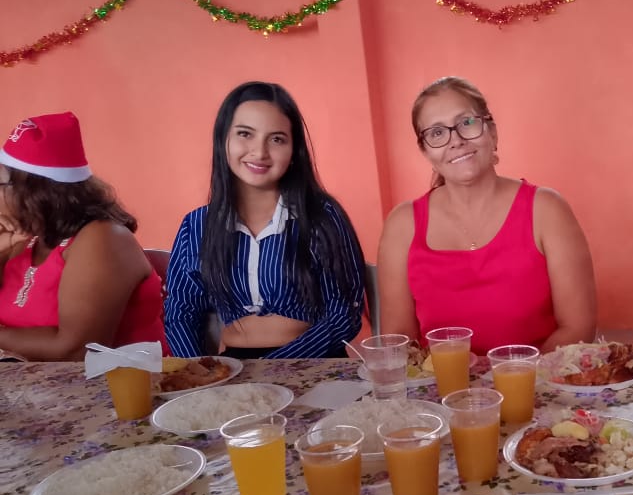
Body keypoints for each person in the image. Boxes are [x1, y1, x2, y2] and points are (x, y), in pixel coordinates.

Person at [376, 76, 596, 356]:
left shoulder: (547, 209)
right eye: (437, 133)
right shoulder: (402, 225)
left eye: (467, 122)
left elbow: (578, 328)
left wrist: (509, 373)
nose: (456, 141)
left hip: (538, 380)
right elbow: (398, 341)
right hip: (438, 383)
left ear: (492, 132)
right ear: (425, 150)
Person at [164, 82, 365, 359]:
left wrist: (272, 367)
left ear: (294, 151)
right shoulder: (197, 225)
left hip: (313, 362)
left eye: (277, 139)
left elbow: (345, 315)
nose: (259, 152)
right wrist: (201, 373)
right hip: (235, 368)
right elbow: (181, 313)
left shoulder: (321, 217)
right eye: (245, 134)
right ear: (223, 140)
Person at [0, 112, 164, 361]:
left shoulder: (104, 239)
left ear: (36, 193)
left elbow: (76, 349)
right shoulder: (24, 238)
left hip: (119, 383)